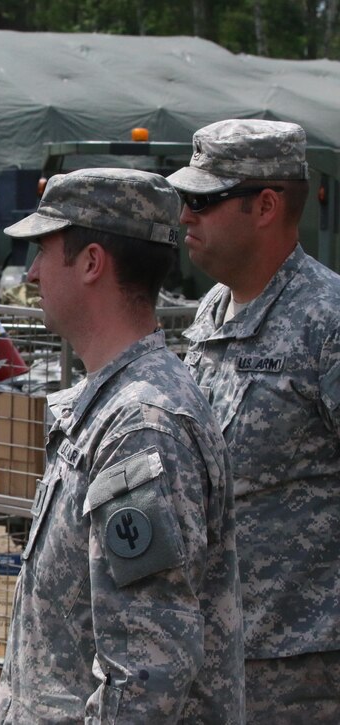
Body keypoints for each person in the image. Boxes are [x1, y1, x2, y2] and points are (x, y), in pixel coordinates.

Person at [0, 169, 243, 723]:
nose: (32, 274)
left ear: (91, 263)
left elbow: (146, 673)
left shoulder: (141, 425)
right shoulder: (111, 406)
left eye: (44, 251)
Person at [168, 119, 340, 721]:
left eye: (203, 200)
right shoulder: (212, 310)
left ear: (265, 205)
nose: (185, 215)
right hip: (215, 653)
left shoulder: (328, 323)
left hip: (302, 672)